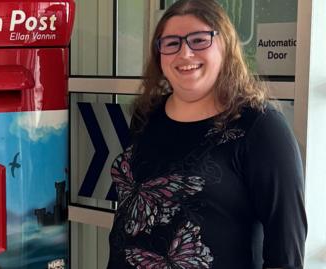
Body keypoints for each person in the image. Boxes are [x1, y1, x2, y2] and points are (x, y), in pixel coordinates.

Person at [107, 0, 307, 268]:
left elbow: (286, 250)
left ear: (225, 46)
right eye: (171, 43)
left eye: (199, 40)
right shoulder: (147, 115)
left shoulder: (260, 127)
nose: (185, 53)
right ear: (159, 55)